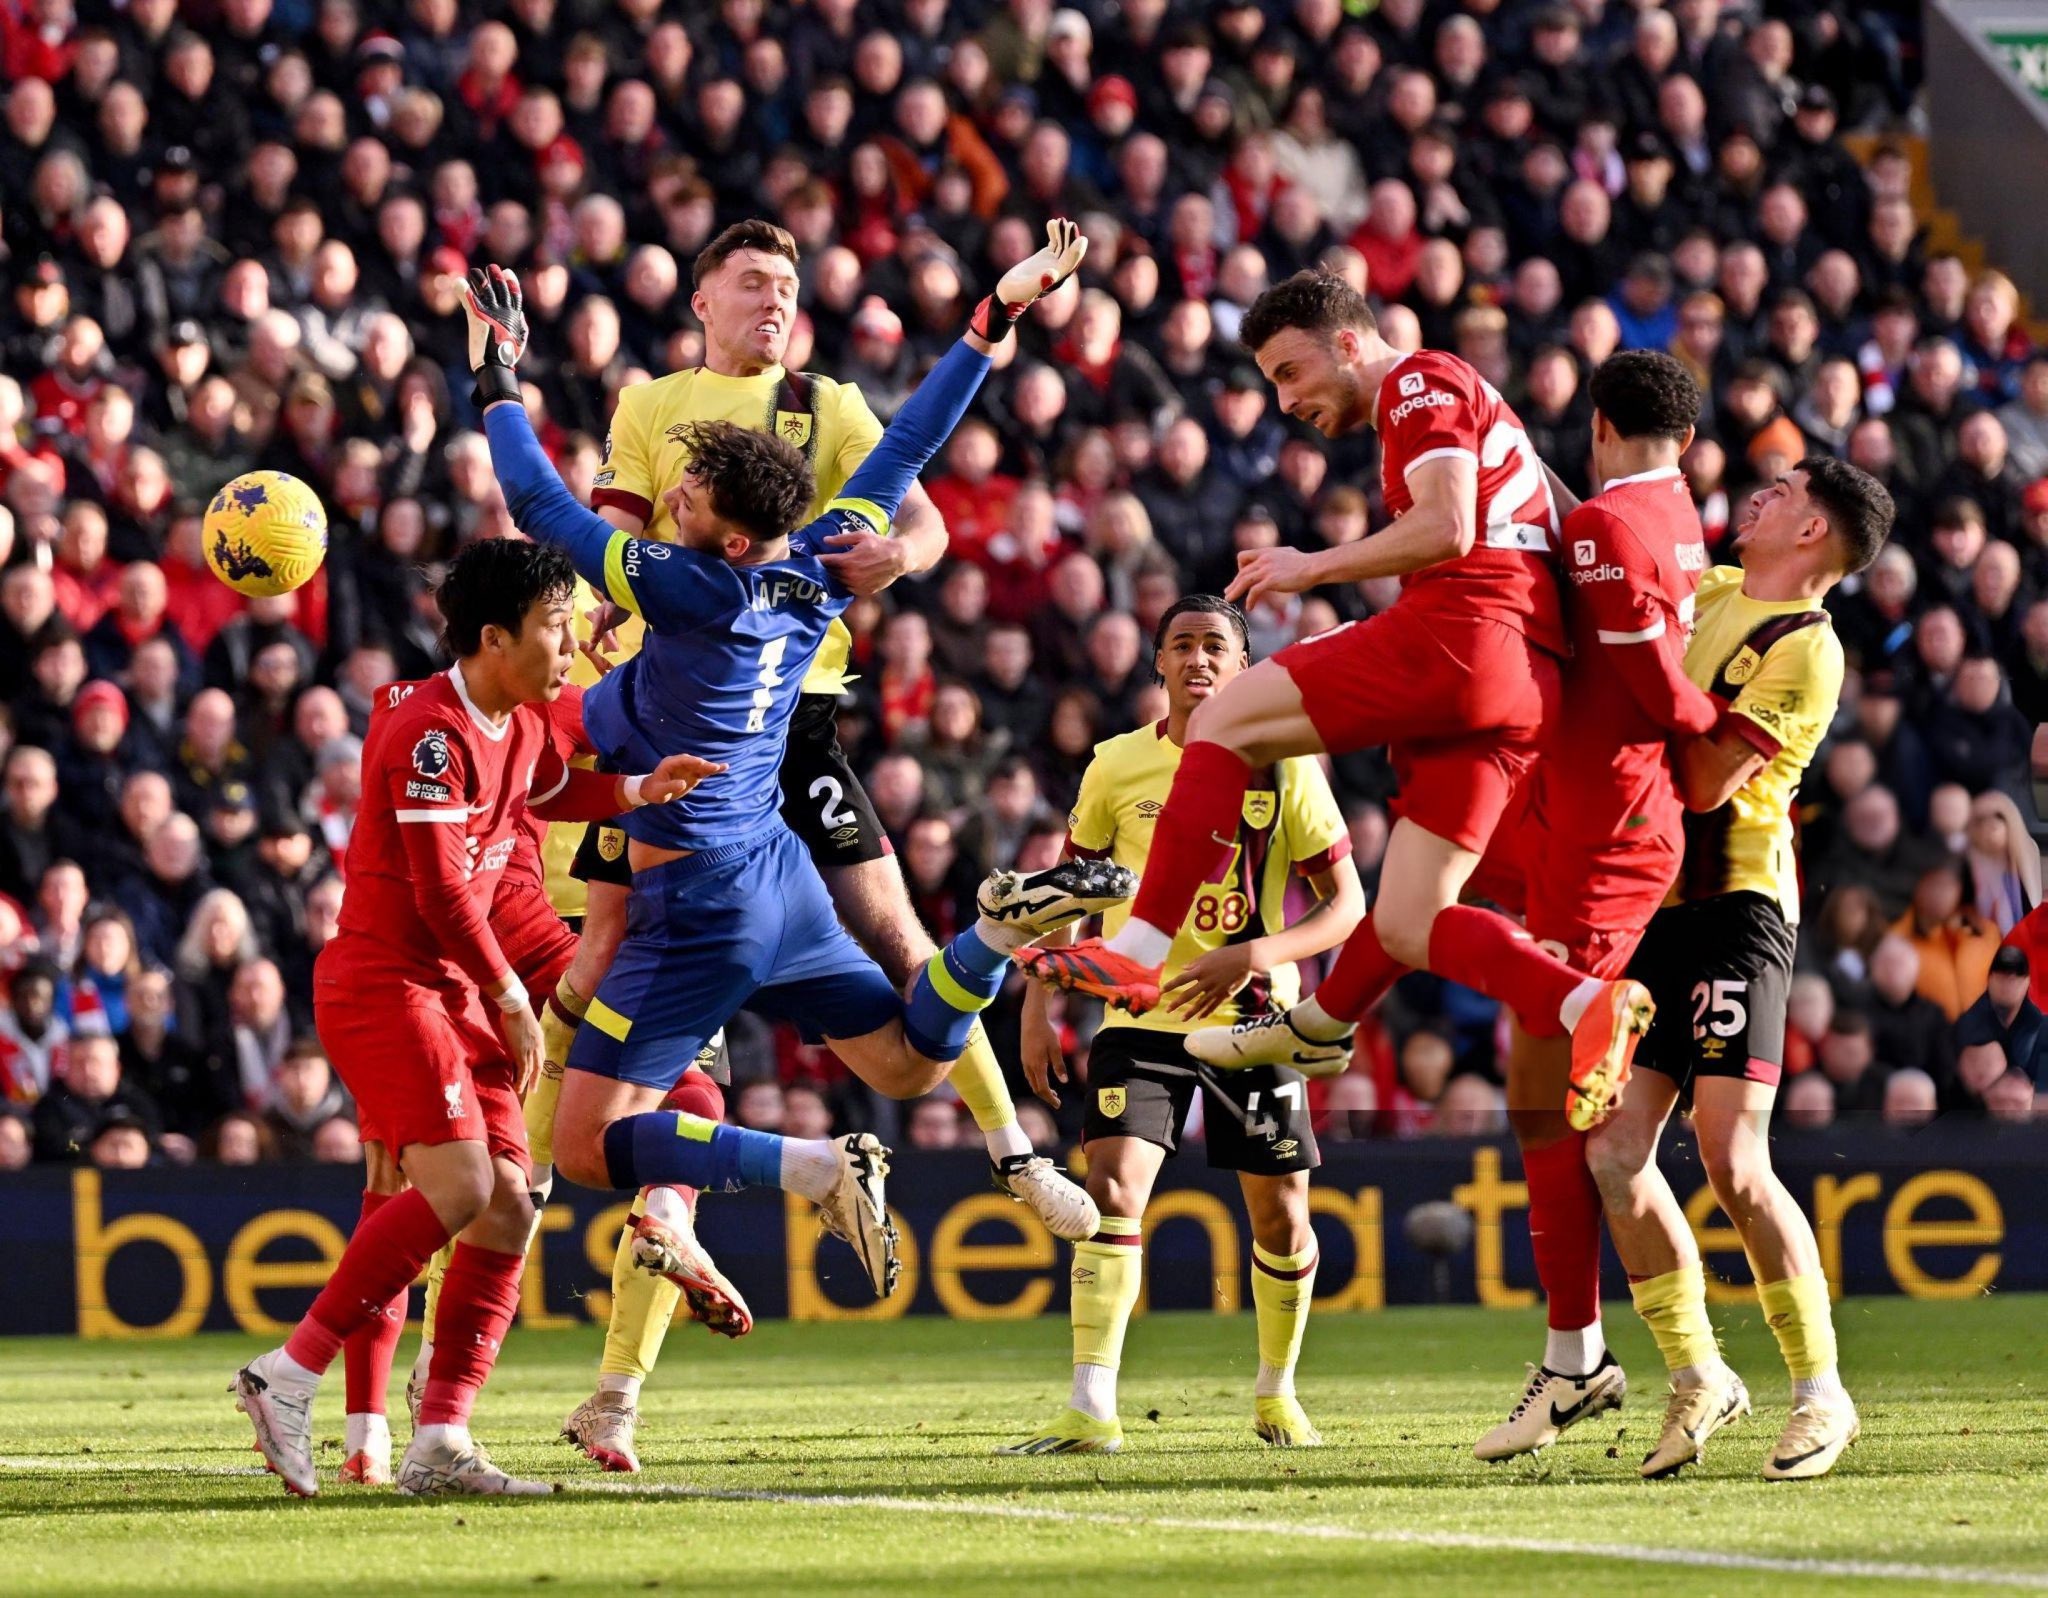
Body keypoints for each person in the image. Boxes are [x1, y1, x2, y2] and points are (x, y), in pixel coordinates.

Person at [465, 225, 1133, 1448]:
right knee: (909, 1062)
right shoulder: (816, 563)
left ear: (720, 535)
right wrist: (993, 313)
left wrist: (496, 379)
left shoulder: (684, 586)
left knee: (587, 1140)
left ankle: (814, 1170)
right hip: (780, 875)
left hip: (704, 897)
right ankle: (983, 938)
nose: (670, 497)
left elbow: (536, 505)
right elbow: (918, 435)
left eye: (688, 496)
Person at [1197, 351, 1723, 1460]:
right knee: (1430, 935)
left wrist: (1723, 728)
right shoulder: (1669, 518)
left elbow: (1654, 686)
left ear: (1593, 422)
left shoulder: (1596, 531)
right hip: (1576, 813)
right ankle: (1575, 1356)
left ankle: (1691, 1365)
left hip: (1604, 832)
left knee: (1575, 1124)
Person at [1017, 268, 1654, 1124]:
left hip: (1470, 627)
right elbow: (1566, 518)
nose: (1284, 402)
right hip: (1525, 679)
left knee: (1222, 717)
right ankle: (1581, 1004)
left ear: (1350, 343)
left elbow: (1449, 528)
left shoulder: (1418, 381)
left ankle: (1140, 945)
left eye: (1289, 373)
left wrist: (1308, 565)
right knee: (1409, 918)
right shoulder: (1468, 397)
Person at [230, 537, 724, 1499]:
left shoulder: (523, 721)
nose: (569, 643)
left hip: (454, 989)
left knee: (507, 1202)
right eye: (553, 626)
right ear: (495, 638)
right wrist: (512, 996)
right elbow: (442, 893)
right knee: (460, 1188)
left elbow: (547, 791)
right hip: (390, 984)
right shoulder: (428, 732)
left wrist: (634, 790)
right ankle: (286, 1375)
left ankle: (439, 1439)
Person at [1584, 456, 1894, 1483]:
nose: (1757, 492)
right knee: (1615, 1148)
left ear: (1811, 531)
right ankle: (1698, 1370)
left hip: (1736, 910)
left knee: (1731, 1156)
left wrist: (1630, 694)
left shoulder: (1805, 649)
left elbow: (1707, 780)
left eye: (1782, 489)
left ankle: (1821, 1392)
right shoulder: (1711, 587)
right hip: (1659, 907)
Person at [999, 595, 1364, 1456]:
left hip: (1252, 1016)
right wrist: (1038, 1001)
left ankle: (1277, 1394)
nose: (1198, 660)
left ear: (1241, 666)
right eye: (1183, 646)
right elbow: (1072, 894)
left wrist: (1258, 952)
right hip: (1141, 1013)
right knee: (1114, 1194)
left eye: (1215, 648)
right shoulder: (1115, 765)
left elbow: (1348, 905)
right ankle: (1091, 1408)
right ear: (1157, 663)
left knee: (1278, 1220)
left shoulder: (1285, 763)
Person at [1956, 945, 2044, 1086]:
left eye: (2015, 978)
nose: (2008, 985)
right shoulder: (1968, 1025)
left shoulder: (2038, 1025)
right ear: (1990, 979)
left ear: (2027, 982)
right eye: (2001, 976)